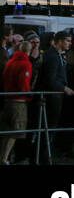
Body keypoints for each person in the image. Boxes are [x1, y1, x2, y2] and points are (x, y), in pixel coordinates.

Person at [34, 31, 74, 163]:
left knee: (49, 128)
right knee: (48, 128)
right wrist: (64, 88)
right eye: (67, 40)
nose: (70, 43)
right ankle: (43, 157)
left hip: (54, 97)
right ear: (60, 41)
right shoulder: (52, 56)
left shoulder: (56, 55)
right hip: (51, 98)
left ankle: (43, 156)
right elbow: (50, 79)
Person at [1, 37, 34, 165]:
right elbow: (23, 84)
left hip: (7, 99)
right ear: (29, 51)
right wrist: (29, 94)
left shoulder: (10, 62)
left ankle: (3, 157)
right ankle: (4, 158)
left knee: (6, 132)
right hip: (19, 102)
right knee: (16, 132)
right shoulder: (26, 64)